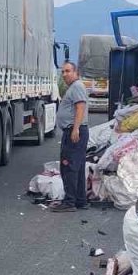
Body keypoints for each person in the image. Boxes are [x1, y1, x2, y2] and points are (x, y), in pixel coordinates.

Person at [48, 61, 89, 211]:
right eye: (62, 72)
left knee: (69, 167)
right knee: (77, 167)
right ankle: (80, 200)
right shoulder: (74, 87)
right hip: (75, 130)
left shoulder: (77, 86)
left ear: (75, 72)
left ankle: (69, 202)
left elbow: (80, 107)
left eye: (67, 71)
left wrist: (75, 129)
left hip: (74, 131)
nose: (64, 75)